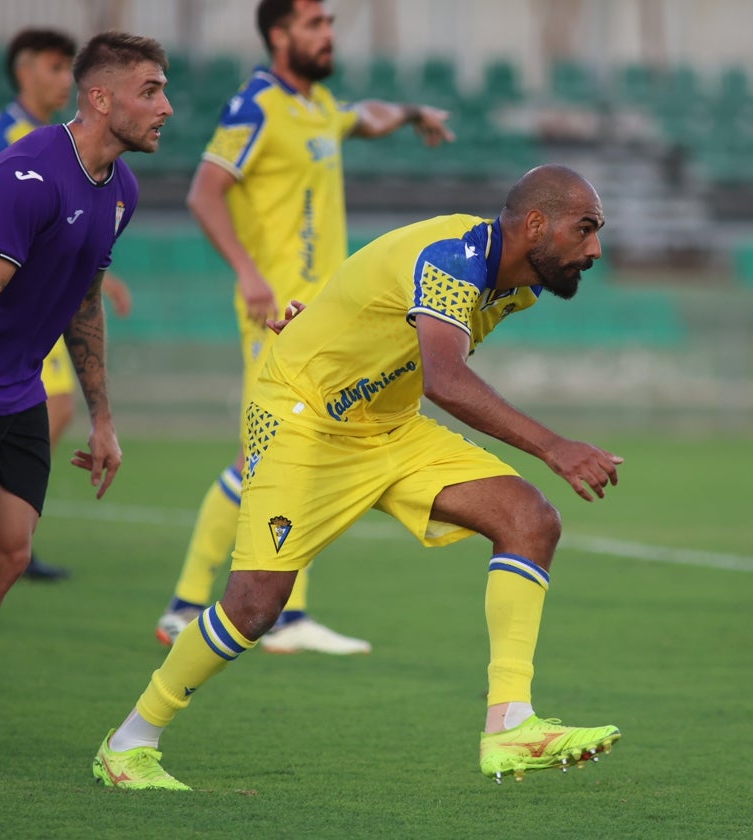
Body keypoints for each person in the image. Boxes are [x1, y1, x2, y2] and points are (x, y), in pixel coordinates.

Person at [93, 163, 623, 790]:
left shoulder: (518, 285)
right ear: (536, 223)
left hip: (387, 424)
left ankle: (511, 725)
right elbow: (446, 378)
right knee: (256, 603)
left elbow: (378, 292)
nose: (594, 248)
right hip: (302, 414)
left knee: (530, 520)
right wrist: (554, 446)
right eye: (584, 229)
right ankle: (129, 741)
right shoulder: (456, 258)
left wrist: (319, 315)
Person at [0, 31, 172, 764]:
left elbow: (83, 298)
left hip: (15, 385)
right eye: (150, 91)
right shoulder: (26, 174)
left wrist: (103, 417)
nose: (166, 107)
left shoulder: (123, 191)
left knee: (7, 555)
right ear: (100, 97)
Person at [155, 0, 455, 655]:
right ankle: (185, 606)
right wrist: (248, 273)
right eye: (315, 24)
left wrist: (408, 114)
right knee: (261, 457)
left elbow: (364, 117)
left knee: (309, 449)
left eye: (330, 24)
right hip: (275, 312)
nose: (328, 34)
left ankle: (286, 616)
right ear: (279, 32)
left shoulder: (319, 106)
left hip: (321, 317)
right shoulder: (255, 106)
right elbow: (205, 191)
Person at [0, 27, 135, 582]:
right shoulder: (5, 135)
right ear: (25, 70)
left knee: (57, 408)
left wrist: (103, 278)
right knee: (51, 406)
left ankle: (10, 535)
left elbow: (69, 233)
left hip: (42, 306)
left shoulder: (64, 142)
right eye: (54, 67)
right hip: (5, 304)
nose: (62, 79)